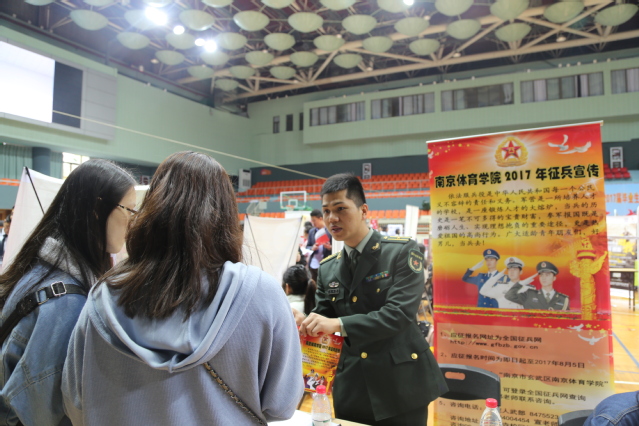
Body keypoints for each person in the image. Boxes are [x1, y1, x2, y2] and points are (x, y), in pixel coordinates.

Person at [62, 151, 303, 425]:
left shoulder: (103, 295)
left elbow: (74, 401)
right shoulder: (262, 293)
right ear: (225, 213)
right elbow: (282, 405)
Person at [299, 173, 447, 426]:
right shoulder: (328, 268)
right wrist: (303, 321)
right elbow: (325, 318)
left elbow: (398, 314)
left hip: (400, 384)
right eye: (326, 211)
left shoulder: (401, 251)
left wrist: (338, 324)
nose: (332, 218)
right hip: (352, 385)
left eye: (340, 209)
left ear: (364, 210)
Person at [0, 159, 136, 426]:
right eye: (129, 210)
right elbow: (41, 414)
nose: (133, 221)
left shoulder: (41, 270)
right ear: (97, 210)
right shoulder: (67, 302)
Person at [505, 261, 570, 310]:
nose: (544, 278)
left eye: (547, 275)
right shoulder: (529, 294)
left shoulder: (563, 299)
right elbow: (509, 295)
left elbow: (566, 320)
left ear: (554, 278)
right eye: (541, 275)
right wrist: (520, 283)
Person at [306, 209, 332, 282]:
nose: (313, 223)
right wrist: (312, 248)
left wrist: (330, 248)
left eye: (314, 220)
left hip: (326, 263)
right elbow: (307, 246)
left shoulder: (330, 231)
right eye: (312, 220)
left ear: (320, 218)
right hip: (313, 264)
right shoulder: (311, 231)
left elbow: (337, 249)